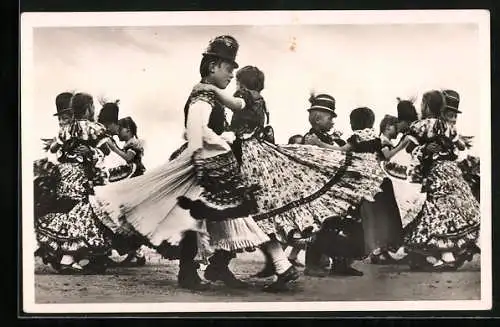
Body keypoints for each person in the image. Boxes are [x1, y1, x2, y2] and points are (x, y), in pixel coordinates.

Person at [93, 35, 271, 291]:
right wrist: (216, 144)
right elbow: (196, 129)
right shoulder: (203, 96)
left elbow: (237, 105)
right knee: (193, 219)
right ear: (212, 66)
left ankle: (206, 269)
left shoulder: (210, 93)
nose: (232, 73)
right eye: (228, 67)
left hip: (206, 160)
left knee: (202, 218)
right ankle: (190, 272)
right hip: (201, 161)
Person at [194, 70, 388, 285]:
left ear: (242, 84)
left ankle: (264, 266)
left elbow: (236, 105)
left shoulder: (246, 96)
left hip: (248, 157)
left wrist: (210, 89)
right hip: (259, 156)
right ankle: (229, 266)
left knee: (247, 212)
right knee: (252, 213)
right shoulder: (261, 100)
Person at [35, 92, 115, 274]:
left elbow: (55, 148)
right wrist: (90, 151)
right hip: (82, 175)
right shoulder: (95, 128)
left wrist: (67, 147)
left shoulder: (66, 129)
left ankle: (68, 257)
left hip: (65, 174)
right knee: (86, 213)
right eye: (92, 107)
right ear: (88, 110)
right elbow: (105, 151)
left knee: (68, 211)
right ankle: (75, 258)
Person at [402, 89, 480, 271]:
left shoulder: (421, 125)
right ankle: (450, 253)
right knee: (453, 211)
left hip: (434, 172)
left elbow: (409, 147)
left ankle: (441, 255)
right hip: (451, 172)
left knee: (433, 210)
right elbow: (459, 145)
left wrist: (424, 149)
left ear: (427, 107)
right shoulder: (447, 127)